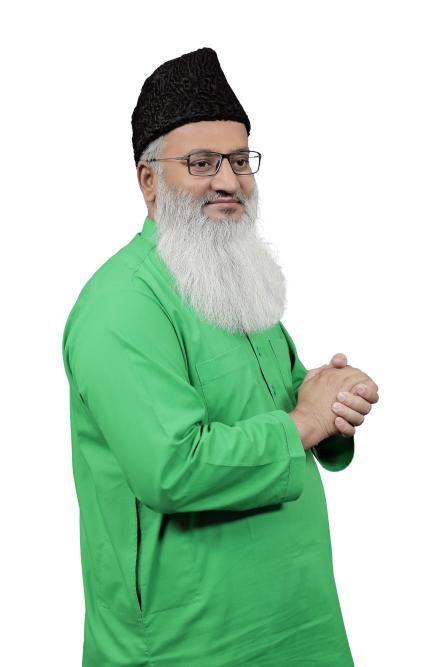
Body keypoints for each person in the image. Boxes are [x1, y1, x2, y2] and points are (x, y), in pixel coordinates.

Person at [62, 46, 379, 667]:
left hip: (299, 623)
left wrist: (334, 397)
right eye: (201, 162)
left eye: (239, 160)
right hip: (188, 642)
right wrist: (305, 421)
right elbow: (173, 467)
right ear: (148, 181)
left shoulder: (230, 275)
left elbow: (288, 401)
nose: (229, 181)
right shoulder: (121, 304)